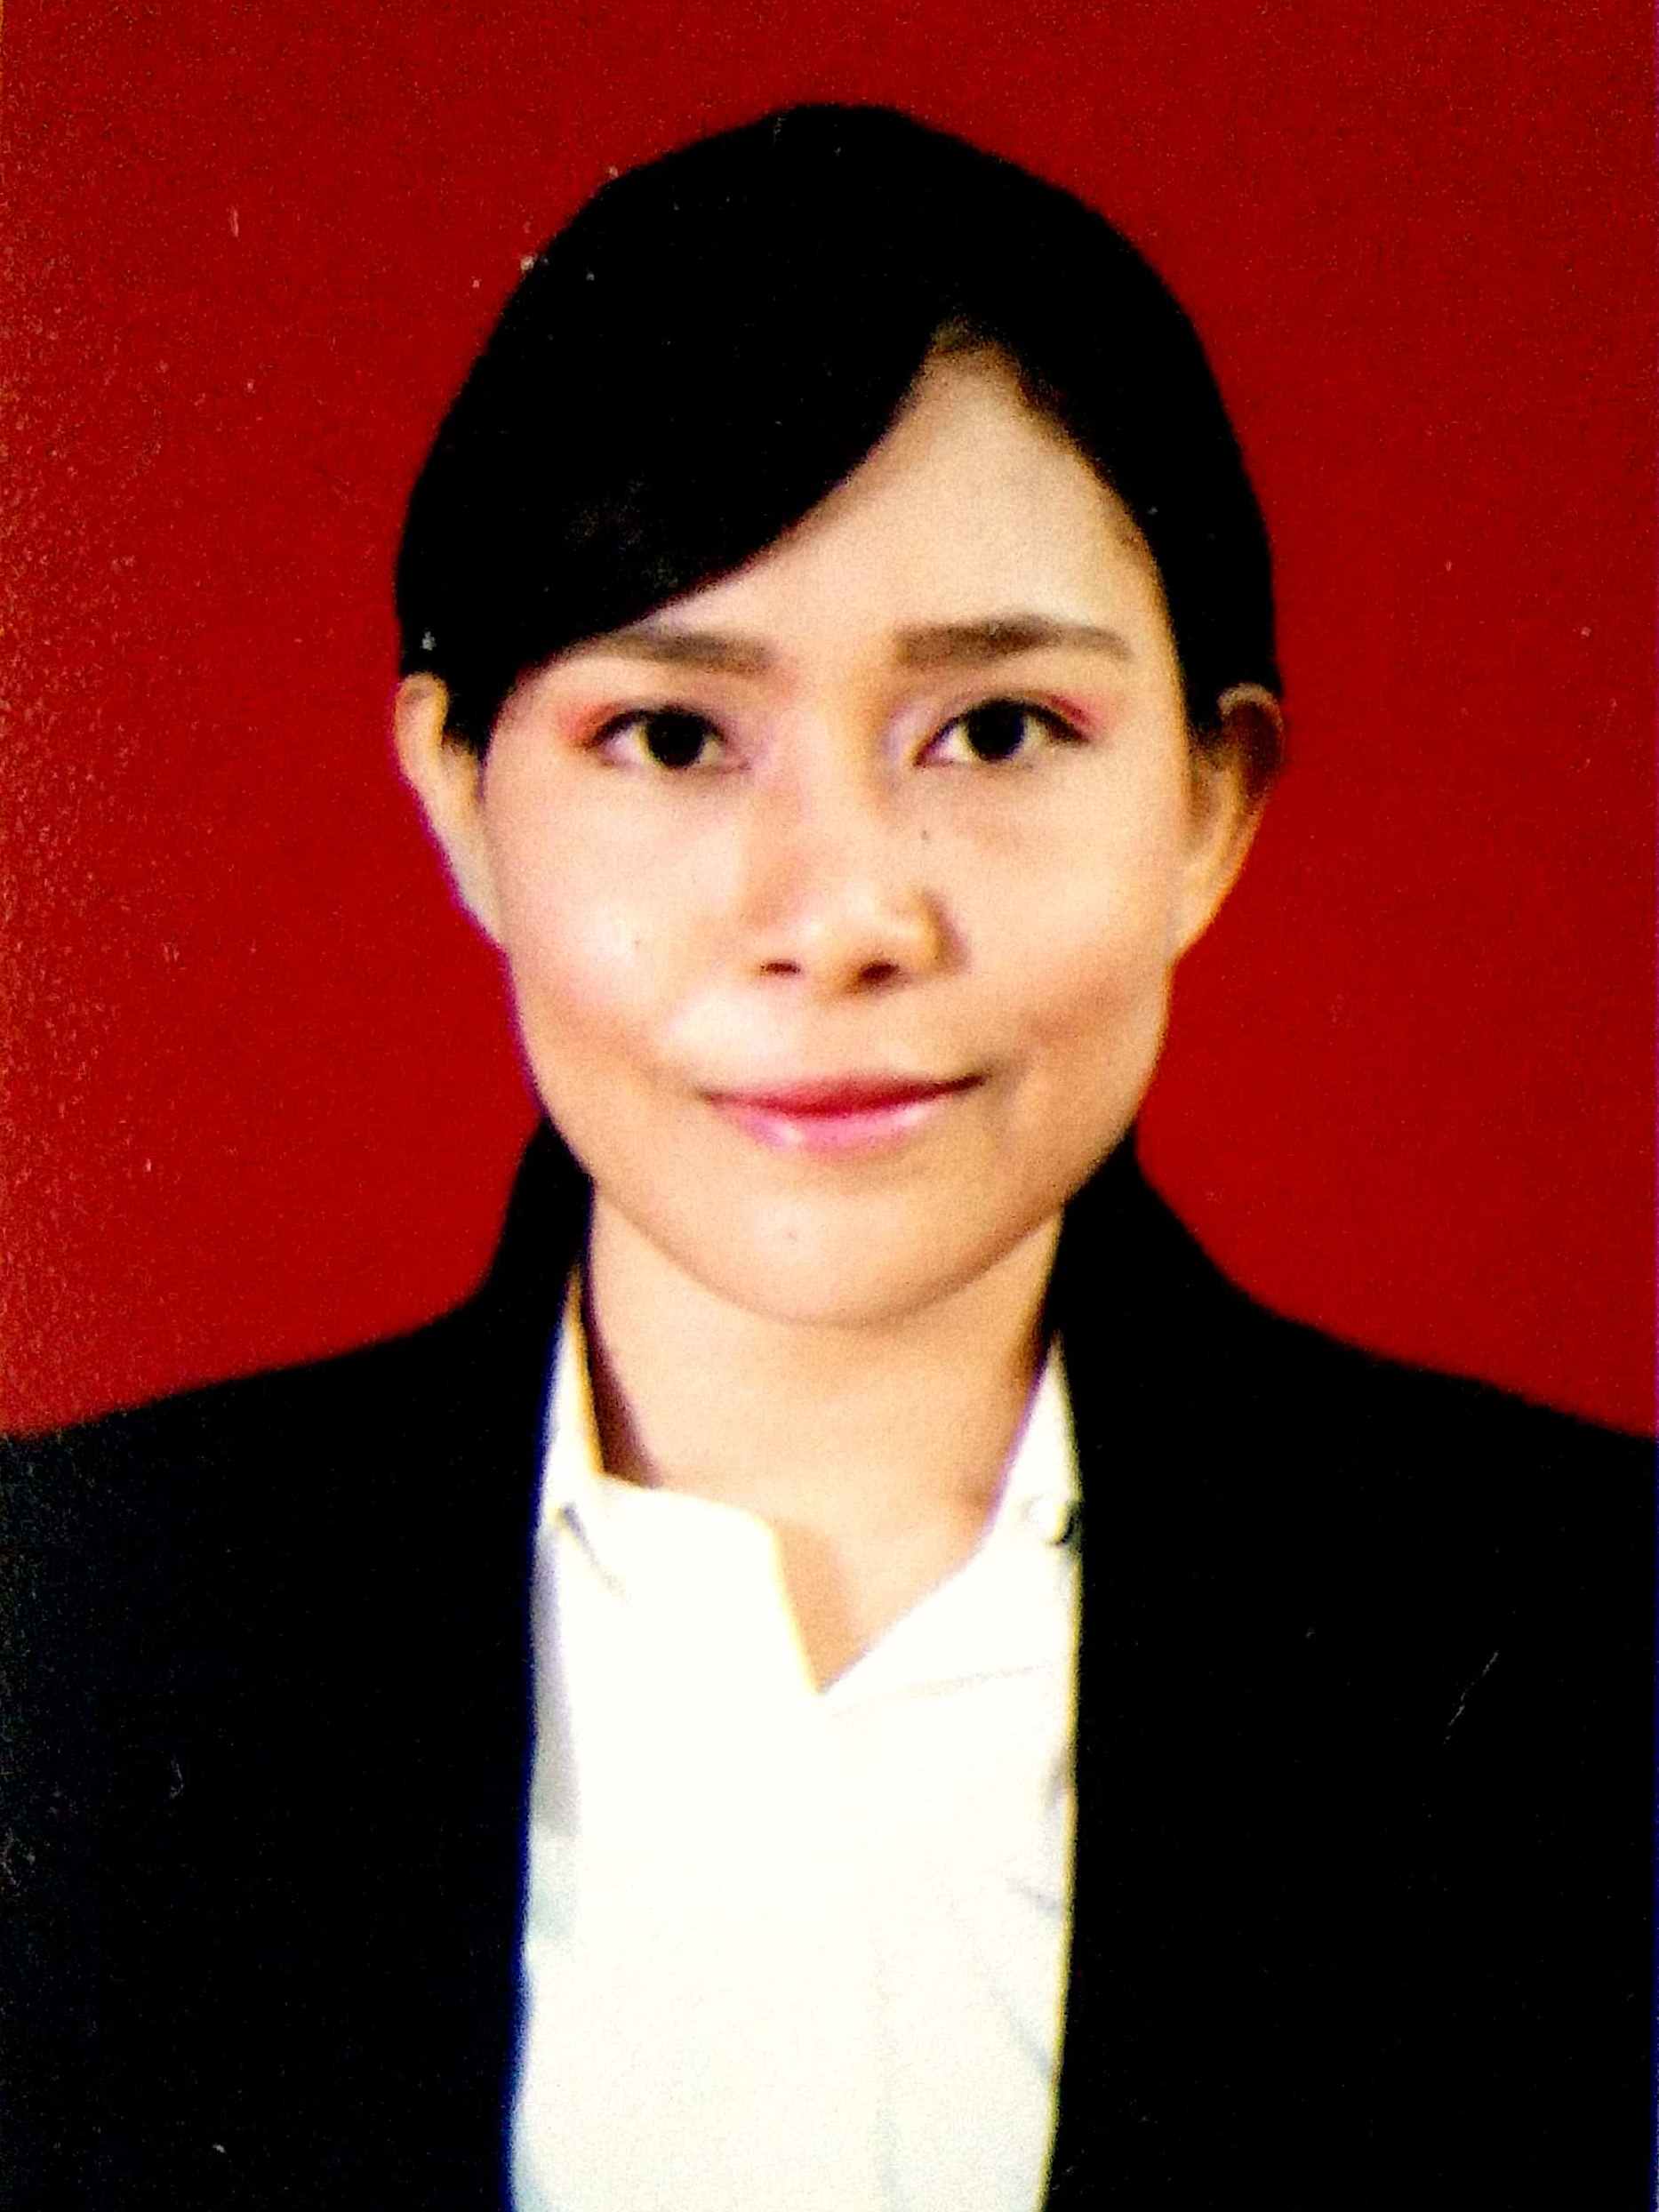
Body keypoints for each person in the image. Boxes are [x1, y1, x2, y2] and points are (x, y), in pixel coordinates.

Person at [4, 104, 1651, 2212]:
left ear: (1210, 804)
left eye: (997, 730)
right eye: (672, 736)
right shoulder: (62, 1631)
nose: (843, 913)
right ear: (461, 794)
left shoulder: (1597, 1652)